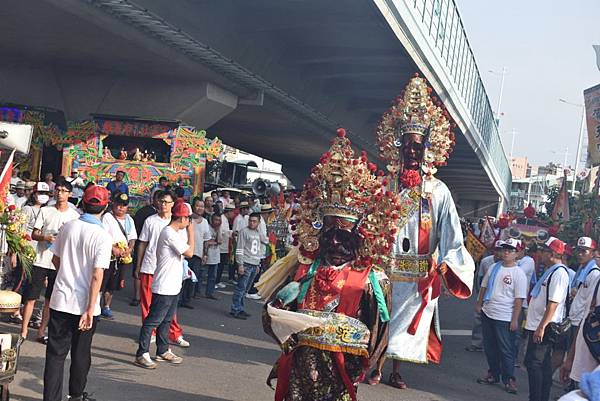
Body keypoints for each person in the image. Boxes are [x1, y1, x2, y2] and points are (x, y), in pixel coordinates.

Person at [260, 129, 394, 401]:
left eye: (343, 237)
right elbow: (271, 318)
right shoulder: (303, 269)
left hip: (342, 365)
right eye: (329, 236)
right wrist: (281, 305)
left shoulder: (371, 280)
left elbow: (379, 330)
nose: (335, 244)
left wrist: (367, 364)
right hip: (301, 362)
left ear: (358, 239)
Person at [369, 75, 475, 388]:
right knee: (380, 317)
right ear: (398, 148)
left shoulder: (437, 191)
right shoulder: (384, 185)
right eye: (407, 146)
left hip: (417, 272)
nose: (412, 152)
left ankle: (396, 370)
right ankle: (375, 366)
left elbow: (453, 235)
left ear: (427, 149)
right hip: (385, 267)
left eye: (418, 146)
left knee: (406, 326)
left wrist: (447, 262)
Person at [43, 185, 112, 401]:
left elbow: (55, 258)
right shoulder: (102, 236)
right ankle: (75, 395)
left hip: (61, 299)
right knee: (81, 353)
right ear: (105, 206)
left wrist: (67, 272)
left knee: (55, 355)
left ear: (83, 203)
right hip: (85, 304)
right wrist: (90, 309)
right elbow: (96, 276)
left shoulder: (69, 227)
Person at [135, 199, 194, 369]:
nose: (189, 222)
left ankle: (162, 349)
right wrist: (192, 232)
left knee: (167, 320)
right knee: (153, 319)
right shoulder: (168, 233)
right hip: (164, 284)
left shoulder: (173, 233)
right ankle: (142, 352)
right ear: (182, 219)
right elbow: (190, 252)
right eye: (188, 219)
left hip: (173, 284)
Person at [21, 179, 80, 343]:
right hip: (41, 259)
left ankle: (41, 331)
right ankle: (24, 330)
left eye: (63, 191)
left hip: (59, 262)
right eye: (58, 190)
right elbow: (34, 233)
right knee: (31, 297)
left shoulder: (74, 216)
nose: (60, 193)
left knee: (50, 299)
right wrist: (45, 237)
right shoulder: (46, 211)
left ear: (69, 194)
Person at [475, 238, 527, 394]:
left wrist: (514, 319)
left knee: (506, 349)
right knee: (490, 347)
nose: (505, 252)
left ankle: (509, 379)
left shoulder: (519, 273)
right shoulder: (494, 267)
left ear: (517, 254)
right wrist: (479, 304)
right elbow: (483, 286)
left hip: (504, 317)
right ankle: (493, 373)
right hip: (488, 312)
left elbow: (519, 299)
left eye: (510, 250)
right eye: (504, 249)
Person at [524, 237, 571, 401]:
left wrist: (542, 327)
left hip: (545, 325)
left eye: (543, 251)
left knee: (534, 363)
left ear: (552, 254)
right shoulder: (550, 270)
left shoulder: (559, 273)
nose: (540, 254)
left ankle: (537, 398)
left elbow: (553, 303)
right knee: (541, 364)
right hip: (537, 323)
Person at [560, 237, 600, 387]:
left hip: (588, 331)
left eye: (585, 251)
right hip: (579, 323)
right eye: (579, 251)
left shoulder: (594, 273)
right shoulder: (584, 270)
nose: (580, 254)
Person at [100, 192, 137, 319]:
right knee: (102, 283)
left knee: (113, 284)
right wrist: (112, 248)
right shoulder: (107, 217)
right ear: (114, 204)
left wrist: (130, 248)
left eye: (124, 205)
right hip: (108, 256)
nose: (121, 208)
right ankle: (95, 307)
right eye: (119, 205)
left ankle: (106, 306)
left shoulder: (129, 220)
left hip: (121, 257)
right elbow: (103, 236)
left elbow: (132, 237)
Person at [467, 240, 504, 352]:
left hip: (498, 295)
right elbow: (480, 278)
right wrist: (480, 295)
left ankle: (493, 345)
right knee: (478, 319)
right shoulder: (486, 261)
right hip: (485, 292)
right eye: (497, 250)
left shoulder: (506, 264)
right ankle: (476, 343)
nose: (498, 253)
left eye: (501, 251)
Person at [230, 213, 263, 319]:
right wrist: (240, 264)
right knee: (240, 288)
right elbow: (239, 249)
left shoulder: (258, 232)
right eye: (250, 221)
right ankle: (235, 309)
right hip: (246, 263)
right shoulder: (244, 231)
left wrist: (258, 264)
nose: (252, 223)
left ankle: (240, 307)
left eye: (254, 221)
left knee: (246, 289)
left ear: (259, 222)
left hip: (254, 264)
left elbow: (258, 249)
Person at [181, 197, 210, 303]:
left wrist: (205, 254)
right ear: (193, 207)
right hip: (185, 253)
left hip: (197, 254)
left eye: (202, 206)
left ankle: (187, 299)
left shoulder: (205, 222)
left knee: (192, 278)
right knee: (182, 277)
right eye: (198, 206)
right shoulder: (187, 220)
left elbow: (206, 240)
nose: (200, 208)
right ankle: (179, 299)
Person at [204, 214, 222, 300]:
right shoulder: (207, 227)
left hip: (215, 255)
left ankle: (209, 293)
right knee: (202, 274)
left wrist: (218, 230)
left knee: (213, 276)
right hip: (207, 254)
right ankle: (197, 292)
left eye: (219, 220)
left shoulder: (218, 229)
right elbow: (206, 242)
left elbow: (219, 241)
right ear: (211, 220)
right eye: (215, 220)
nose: (217, 222)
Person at [215, 203, 234, 287]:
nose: (233, 214)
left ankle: (218, 281)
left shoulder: (226, 220)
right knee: (219, 265)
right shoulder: (222, 219)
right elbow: (222, 232)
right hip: (220, 246)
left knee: (221, 265)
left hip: (224, 245)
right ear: (229, 212)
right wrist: (231, 232)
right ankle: (216, 281)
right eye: (232, 212)